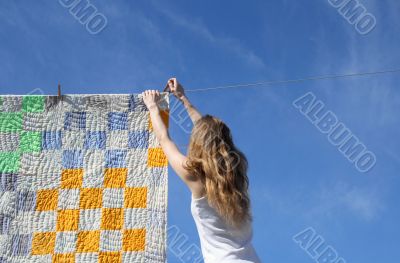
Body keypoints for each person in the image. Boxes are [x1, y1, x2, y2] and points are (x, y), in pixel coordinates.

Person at [141, 78, 261, 263]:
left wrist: (152, 107)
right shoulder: (237, 175)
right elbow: (212, 136)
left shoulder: (196, 177)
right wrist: (182, 98)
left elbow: (164, 140)